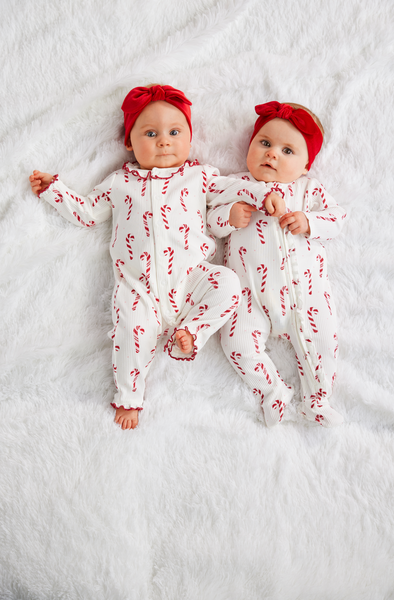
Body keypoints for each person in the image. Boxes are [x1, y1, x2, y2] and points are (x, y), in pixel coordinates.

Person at [29, 85, 284, 430]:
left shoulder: (199, 176)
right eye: (151, 133)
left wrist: (263, 193)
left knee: (227, 283)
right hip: (140, 289)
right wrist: (54, 190)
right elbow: (88, 213)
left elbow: (232, 187)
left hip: (191, 280)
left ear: (189, 139)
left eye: (174, 132)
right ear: (129, 142)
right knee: (129, 332)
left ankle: (191, 333)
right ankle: (130, 397)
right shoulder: (119, 182)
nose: (164, 141)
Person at [207, 101, 347, 428]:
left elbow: (337, 219)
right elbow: (210, 223)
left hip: (306, 297)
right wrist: (228, 217)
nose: (272, 154)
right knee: (236, 342)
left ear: (305, 165)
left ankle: (317, 399)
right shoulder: (237, 186)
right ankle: (272, 389)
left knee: (324, 339)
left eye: (287, 150)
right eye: (265, 143)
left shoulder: (307, 190)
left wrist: (310, 221)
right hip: (251, 296)